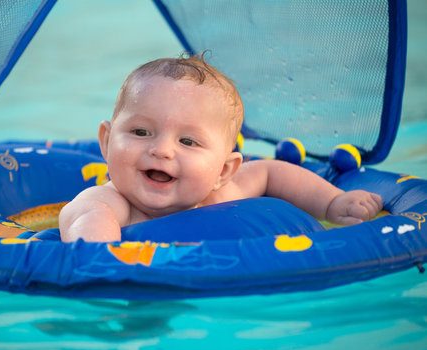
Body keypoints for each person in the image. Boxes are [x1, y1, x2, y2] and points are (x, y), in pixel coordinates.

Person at [59, 54, 383, 243]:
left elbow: (271, 172)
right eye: (141, 132)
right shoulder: (109, 202)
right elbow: (85, 227)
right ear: (106, 141)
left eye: (187, 141)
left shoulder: (224, 192)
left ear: (224, 171)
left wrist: (332, 203)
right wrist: (99, 250)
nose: (161, 150)